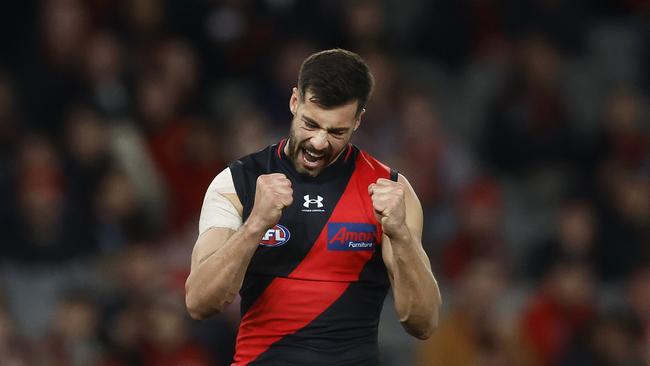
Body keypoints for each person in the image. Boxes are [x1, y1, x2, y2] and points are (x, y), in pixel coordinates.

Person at [185, 48, 442, 365]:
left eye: (336, 132)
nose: (319, 143)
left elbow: (424, 323)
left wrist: (400, 234)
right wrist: (255, 225)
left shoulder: (390, 191)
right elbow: (199, 302)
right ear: (295, 102)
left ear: (358, 121)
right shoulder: (237, 184)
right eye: (310, 124)